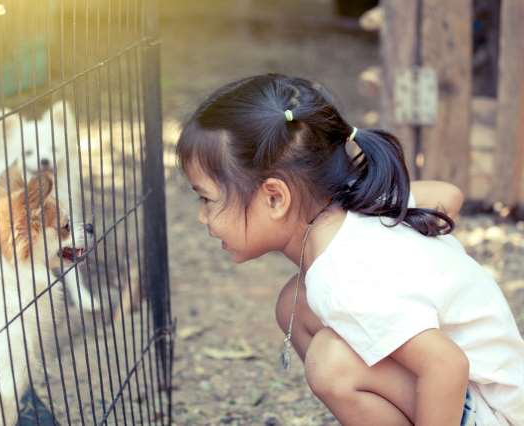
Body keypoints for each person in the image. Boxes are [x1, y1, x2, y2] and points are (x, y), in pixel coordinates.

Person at [176, 73, 524, 425]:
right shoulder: (363, 203)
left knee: (332, 364)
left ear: (275, 197)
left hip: (494, 413)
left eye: (207, 199)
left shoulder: (341, 280)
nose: (202, 217)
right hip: (483, 392)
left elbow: (447, 365)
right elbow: (448, 195)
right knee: (295, 301)